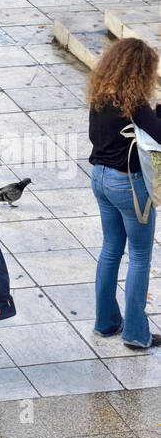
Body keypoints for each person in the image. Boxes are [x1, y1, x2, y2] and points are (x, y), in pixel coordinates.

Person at [87, 38, 161, 352]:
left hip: (100, 179)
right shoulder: (135, 104)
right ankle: (135, 333)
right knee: (141, 257)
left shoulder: (101, 96)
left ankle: (105, 323)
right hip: (129, 185)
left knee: (110, 250)